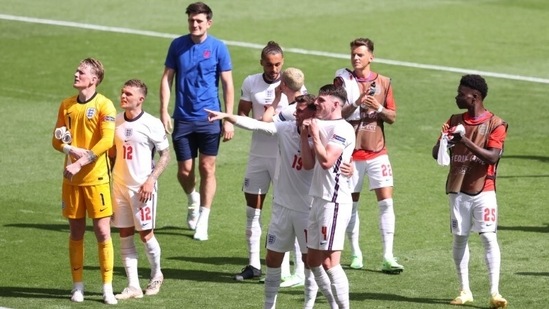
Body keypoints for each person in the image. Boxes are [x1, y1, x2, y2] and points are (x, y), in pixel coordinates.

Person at [159, 1, 234, 241]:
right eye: (191, 20)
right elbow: (166, 79)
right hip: (183, 118)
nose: (195, 24)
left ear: (208, 23)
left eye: (199, 21)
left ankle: (204, 218)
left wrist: (228, 118)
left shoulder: (219, 48)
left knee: (207, 167)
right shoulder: (177, 45)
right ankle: (193, 198)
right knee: (184, 170)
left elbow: (227, 84)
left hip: (210, 118)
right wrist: (163, 110)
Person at [432, 74, 508, 309]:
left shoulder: (496, 124)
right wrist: (445, 141)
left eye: (461, 93)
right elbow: (436, 154)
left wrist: (464, 141)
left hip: (484, 190)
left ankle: (495, 292)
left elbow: (492, 157)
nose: (457, 96)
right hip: (458, 190)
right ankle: (465, 290)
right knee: (460, 238)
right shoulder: (454, 119)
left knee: (487, 237)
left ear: (474, 97)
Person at [234, 45, 304, 285]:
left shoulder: (294, 86)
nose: (273, 69)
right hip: (257, 156)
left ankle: (285, 269)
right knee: (252, 212)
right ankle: (253, 264)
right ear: (261, 62)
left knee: (284, 211)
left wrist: (268, 121)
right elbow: (242, 113)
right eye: (268, 64)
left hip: (282, 158)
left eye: (277, 64)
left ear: (283, 61)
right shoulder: (251, 82)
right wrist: (250, 122)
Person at [333, 37, 403, 273]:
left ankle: (388, 255)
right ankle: (355, 253)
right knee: (351, 205)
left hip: (377, 153)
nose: (355, 57)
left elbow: (392, 117)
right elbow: (336, 113)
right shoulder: (343, 80)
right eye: (353, 53)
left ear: (371, 56)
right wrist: (357, 103)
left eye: (360, 54)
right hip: (351, 154)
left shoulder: (384, 82)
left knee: (386, 202)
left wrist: (379, 108)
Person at [51, 57, 117, 305]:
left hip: (96, 179)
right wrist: (70, 150)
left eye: (81, 72)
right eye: (76, 70)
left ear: (94, 79)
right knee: (76, 231)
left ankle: (107, 287)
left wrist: (81, 161)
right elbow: (57, 141)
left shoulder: (105, 106)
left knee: (102, 231)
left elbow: (107, 141)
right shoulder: (66, 105)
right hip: (71, 181)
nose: (76, 74)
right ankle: (77, 286)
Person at [109, 79, 170, 300]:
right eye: (123, 92)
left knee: (145, 234)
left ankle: (156, 274)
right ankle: (133, 286)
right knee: (124, 234)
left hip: (142, 188)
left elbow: (165, 154)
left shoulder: (152, 124)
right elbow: (112, 154)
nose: (123, 96)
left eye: (128, 94)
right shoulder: (115, 122)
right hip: (119, 187)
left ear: (140, 99)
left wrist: (151, 180)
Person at [300, 84, 356, 309]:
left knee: (330, 262)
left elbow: (326, 162)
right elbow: (308, 164)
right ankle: (333, 304)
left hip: (334, 202)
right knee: (313, 261)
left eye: (321, 100)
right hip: (318, 199)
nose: (316, 104)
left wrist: (314, 134)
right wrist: (306, 137)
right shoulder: (320, 124)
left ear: (336, 104)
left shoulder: (343, 129)